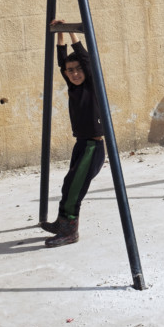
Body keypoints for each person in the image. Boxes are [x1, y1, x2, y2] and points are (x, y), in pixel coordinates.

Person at [40, 19, 108, 248]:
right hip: (81, 144)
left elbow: (86, 60)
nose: (75, 73)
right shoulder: (73, 86)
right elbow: (62, 61)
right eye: (71, 71)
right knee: (69, 184)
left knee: (74, 189)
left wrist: (71, 32)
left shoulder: (91, 85)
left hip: (93, 147)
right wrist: (59, 34)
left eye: (79, 69)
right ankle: (62, 222)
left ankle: (70, 231)